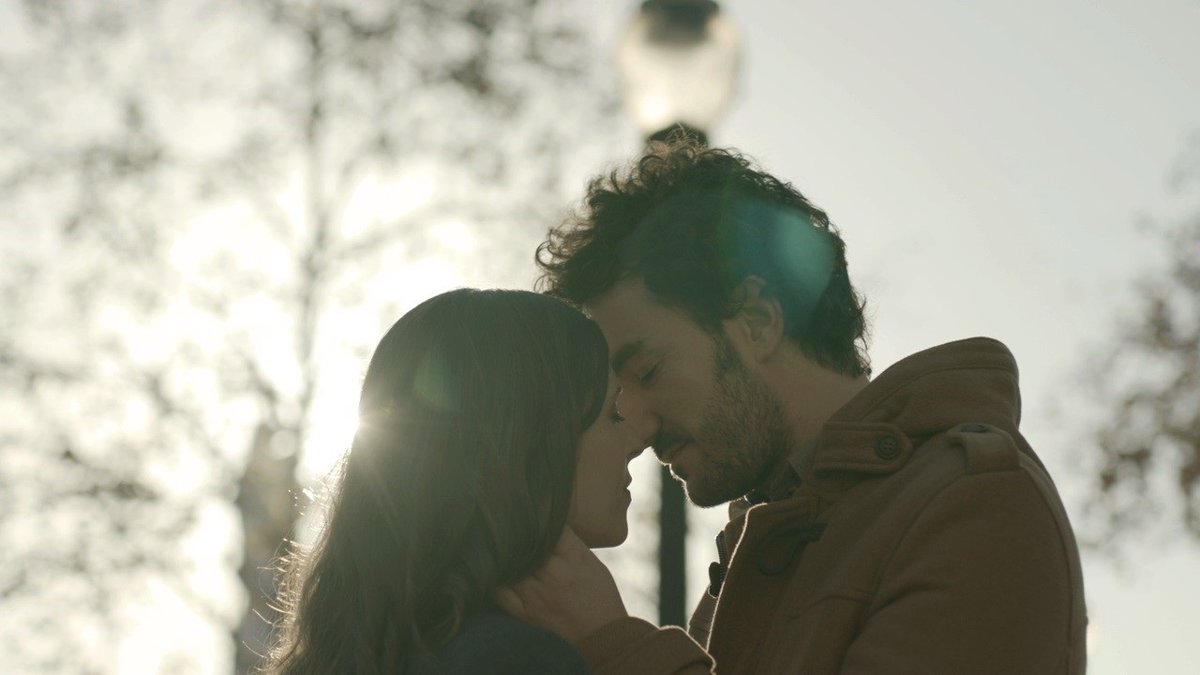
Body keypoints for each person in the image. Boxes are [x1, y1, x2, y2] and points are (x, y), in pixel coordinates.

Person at [498, 141, 1088, 674]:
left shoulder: (973, 506)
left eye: (649, 371)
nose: (637, 427)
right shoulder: (759, 551)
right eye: (617, 395)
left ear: (758, 320)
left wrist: (613, 645)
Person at [262, 288, 645, 674]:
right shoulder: (517, 659)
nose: (636, 442)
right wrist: (620, 644)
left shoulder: (378, 648)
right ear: (530, 439)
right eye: (613, 413)